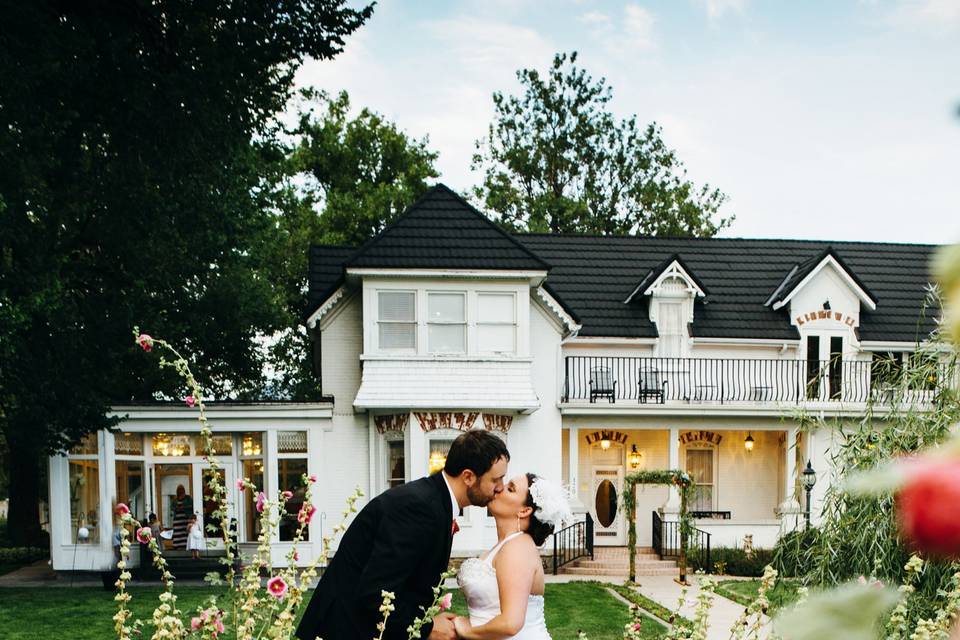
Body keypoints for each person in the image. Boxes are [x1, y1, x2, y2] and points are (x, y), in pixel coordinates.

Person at [296, 430, 510, 640]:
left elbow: (405, 582)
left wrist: (425, 620)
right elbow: (376, 592)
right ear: (468, 477)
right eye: (495, 480)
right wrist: (427, 628)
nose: (500, 487)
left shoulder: (434, 500)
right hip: (344, 629)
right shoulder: (419, 508)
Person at [454, 473, 572, 640]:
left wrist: (467, 631)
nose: (499, 488)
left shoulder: (519, 546)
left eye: (510, 489)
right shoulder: (505, 545)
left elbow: (511, 623)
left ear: (524, 511)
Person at [170, 484, 193, 550]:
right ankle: (178, 546)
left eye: (181, 489)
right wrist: (176, 508)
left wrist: (184, 507)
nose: (180, 491)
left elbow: (191, 505)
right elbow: (172, 507)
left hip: (185, 518)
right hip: (177, 519)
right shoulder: (175, 499)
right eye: (179, 489)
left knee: (185, 532)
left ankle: (185, 546)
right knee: (178, 532)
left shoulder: (188, 498)